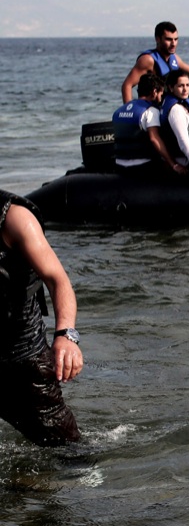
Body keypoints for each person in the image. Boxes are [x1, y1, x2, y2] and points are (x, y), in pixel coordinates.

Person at [0, 190, 84, 446]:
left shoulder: (15, 219)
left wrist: (66, 335)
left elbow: (57, 280)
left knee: (69, 454)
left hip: (22, 361)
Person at [122, 21, 189, 102]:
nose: (173, 43)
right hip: (153, 111)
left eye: (176, 39)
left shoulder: (174, 58)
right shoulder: (148, 60)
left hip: (169, 107)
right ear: (158, 39)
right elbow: (127, 85)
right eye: (169, 39)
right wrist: (129, 112)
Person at [113, 72, 188, 177]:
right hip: (141, 165)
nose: (161, 99)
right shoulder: (151, 111)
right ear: (154, 92)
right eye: (161, 94)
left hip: (119, 164)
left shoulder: (118, 111)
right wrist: (174, 164)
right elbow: (154, 139)